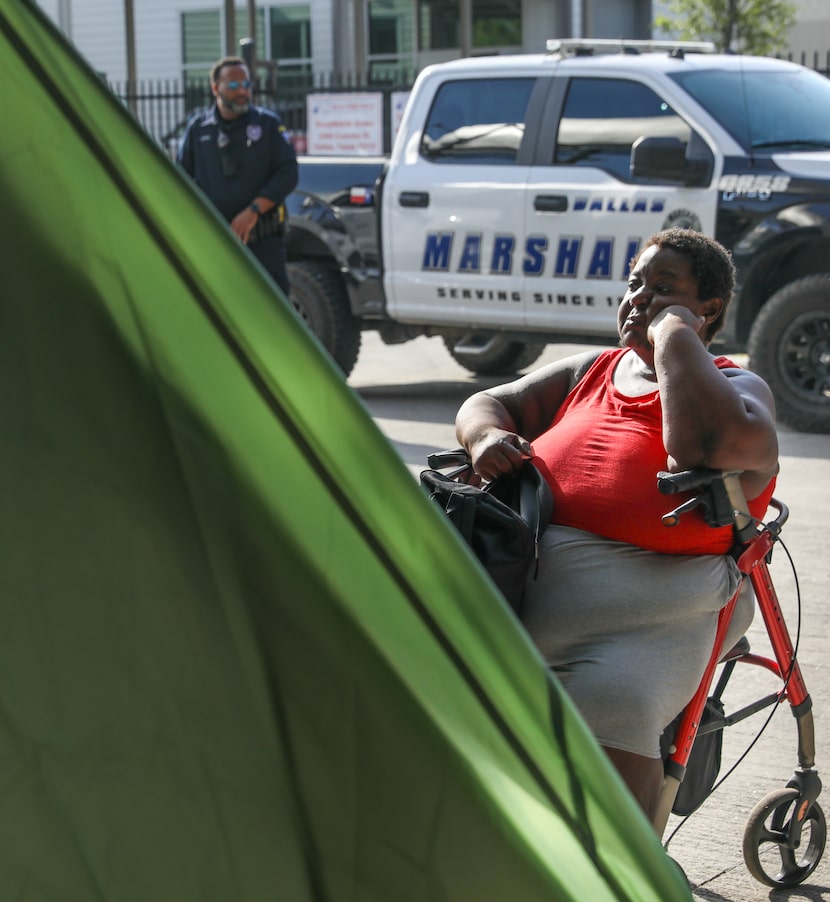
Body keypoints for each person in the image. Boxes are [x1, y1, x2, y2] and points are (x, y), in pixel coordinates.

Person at [455, 228, 779, 823]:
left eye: (663, 289)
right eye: (634, 284)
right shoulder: (590, 370)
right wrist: (485, 438)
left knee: (616, 703)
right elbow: (485, 402)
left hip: (654, 618)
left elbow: (697, 447)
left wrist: (673, 334)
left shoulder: (736, 388)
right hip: (525, 593)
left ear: (710, 310)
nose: (639, 298)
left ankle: (623, 873)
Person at [177, 56, 299, 296]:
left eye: (247, 84)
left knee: (272, 313)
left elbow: (288, 173)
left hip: (263, 244)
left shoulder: (267, 125)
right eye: (233, 85)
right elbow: (181, 182)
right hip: (215, 245)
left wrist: (252, 211)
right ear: (215, 88)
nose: (242, 91)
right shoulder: (198, 129)